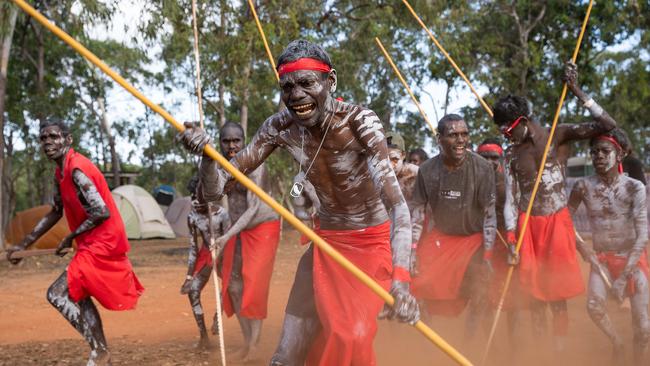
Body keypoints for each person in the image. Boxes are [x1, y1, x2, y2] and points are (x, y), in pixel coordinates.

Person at [176, 39, 419, 365]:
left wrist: (401, 281)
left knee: (352, 339)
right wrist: (207, 159)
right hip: (325, 244)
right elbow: (217, 189)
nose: (295, 95)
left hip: (369, 244)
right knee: (284, 358)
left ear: (330, 81)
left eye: (306, 83)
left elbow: (397, 206)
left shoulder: (359, 123)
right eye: (287, 86)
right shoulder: (280, 128)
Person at [492, 61, 617, 350]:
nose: (506, 136)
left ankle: (558, 351)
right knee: (535, 295)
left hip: (557, 222)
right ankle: (540, 352)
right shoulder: (512, 154)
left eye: (508, 130)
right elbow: (511, 199)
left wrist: (577, 90)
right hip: (529, 226)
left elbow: (608, 125)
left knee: (557, 294)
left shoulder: (557, 135)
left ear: (522, 121)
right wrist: (512, 238)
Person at [6, 120, 144, 366]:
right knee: (78, 293)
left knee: (57, 293)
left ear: (68, 140)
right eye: (43, 138)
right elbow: (56, 211)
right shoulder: (60, 172)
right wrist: (23, 244)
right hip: (90, 240)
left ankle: (100, 351)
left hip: (104, 240)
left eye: (54, 136)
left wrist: (69, 237)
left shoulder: (77, 169)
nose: (48, 142)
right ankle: (101, 352)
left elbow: (101, 211)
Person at [410, 114, 496, 338]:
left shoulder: (482, 167)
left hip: (473, 239)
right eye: (453, 135)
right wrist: (411, 251)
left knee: (479, 288)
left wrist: (487, 256)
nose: (461, 140)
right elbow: (417, 214)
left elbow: (489, 215)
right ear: (439, 139)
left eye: (465, 134)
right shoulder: (427, 170)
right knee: (419, 286)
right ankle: (431, 343)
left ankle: (471, 343)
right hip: (440, 239)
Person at [568, 128, 649, 363]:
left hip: (631, 261)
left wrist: (624, 276)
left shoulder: (634, 187)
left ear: (619, 155)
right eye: (594, 153)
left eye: (605, 151)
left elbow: (643, 234)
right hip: (601, 260)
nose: (599, 157)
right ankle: (618, 342)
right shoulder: (583, 186)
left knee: (643, 328)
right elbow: (563, 220)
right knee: (594, 307)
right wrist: (583, 249)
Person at [211, 122, 282, 361]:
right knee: (233, 285)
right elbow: (218, 200)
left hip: (263, 227)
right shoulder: (222, 166)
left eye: (236, 141)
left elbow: (252, 209)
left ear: (244, 141)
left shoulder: (255, 165)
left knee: (254, 283)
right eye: (226, 141)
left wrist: (227, 235)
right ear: (220, 143)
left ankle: (255, 345)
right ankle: (247, 341)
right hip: (236, 228)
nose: (231, 146)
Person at [180, 175, 230, 349]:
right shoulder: (192, 216)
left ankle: (218, 317)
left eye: (202, 194)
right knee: (192, 291)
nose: (197, 198)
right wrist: (188, 275)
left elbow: (228, 238)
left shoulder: (221, 213)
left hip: (224, 254)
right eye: (195, 195)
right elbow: (193, 247)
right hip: (205, 255)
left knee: (229, 286)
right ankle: (203, 337)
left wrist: (219, 252)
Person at [386, 131, 419, 210]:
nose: (389, 165)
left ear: (403, 155)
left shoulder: (415, 173)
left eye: (394, 159)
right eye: (384, 160)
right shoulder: (379, 175)